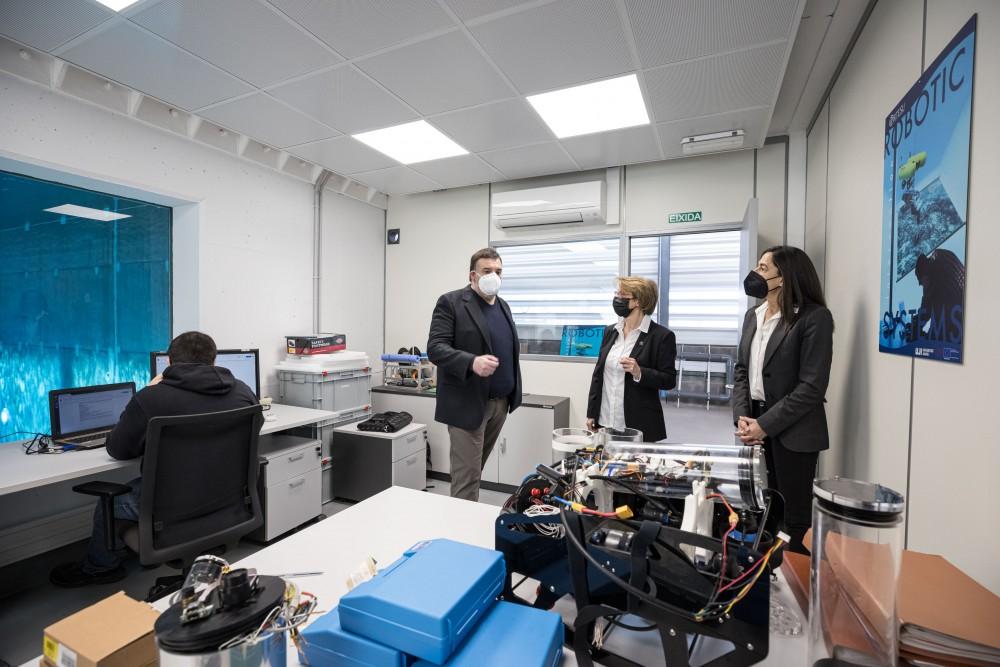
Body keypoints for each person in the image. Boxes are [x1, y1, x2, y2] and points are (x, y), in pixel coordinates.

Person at [50, 331, 257, 587]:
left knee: (109, 504)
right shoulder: (243, 391)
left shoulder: (151, 398)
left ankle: (100, 568)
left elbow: (118, 449)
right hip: (225, 501)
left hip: (174, 504)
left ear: (169, 362)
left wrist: (148, 391)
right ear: (214, 361)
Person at [733, 246, 833, 554]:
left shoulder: (814, 318)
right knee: (765, 507)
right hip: (755, 423)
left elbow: (811, 387)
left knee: (794, 519)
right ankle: (766, 570)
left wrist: (764, 424)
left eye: (763, 268)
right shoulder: (753, 315)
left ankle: (793, 575)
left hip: (794, 430)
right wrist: (743, 417)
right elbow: (741, 370)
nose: (755, 273)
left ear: (784, 278)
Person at [427, 248, 522, 502]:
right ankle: (460, 524)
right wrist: (471, 362)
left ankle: (466, 518)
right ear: (473, 275)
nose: (494, 276)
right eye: (487, 271)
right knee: (466, 478)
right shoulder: (451, 302)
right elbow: (435, 348)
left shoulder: (503, 306)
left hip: (500, 404)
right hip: (467, 404)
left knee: (475, 470)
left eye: (498, 271)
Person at [586, 276, 677, 442]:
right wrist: (591, 413)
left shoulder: (662, 336)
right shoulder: (610, 332)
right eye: (617, 293)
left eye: (623, 295)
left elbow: (669, 380)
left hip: (638, 425)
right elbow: (598, 375)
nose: (617, 298)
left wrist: (639, 372)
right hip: (605, 422)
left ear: (639, 301)